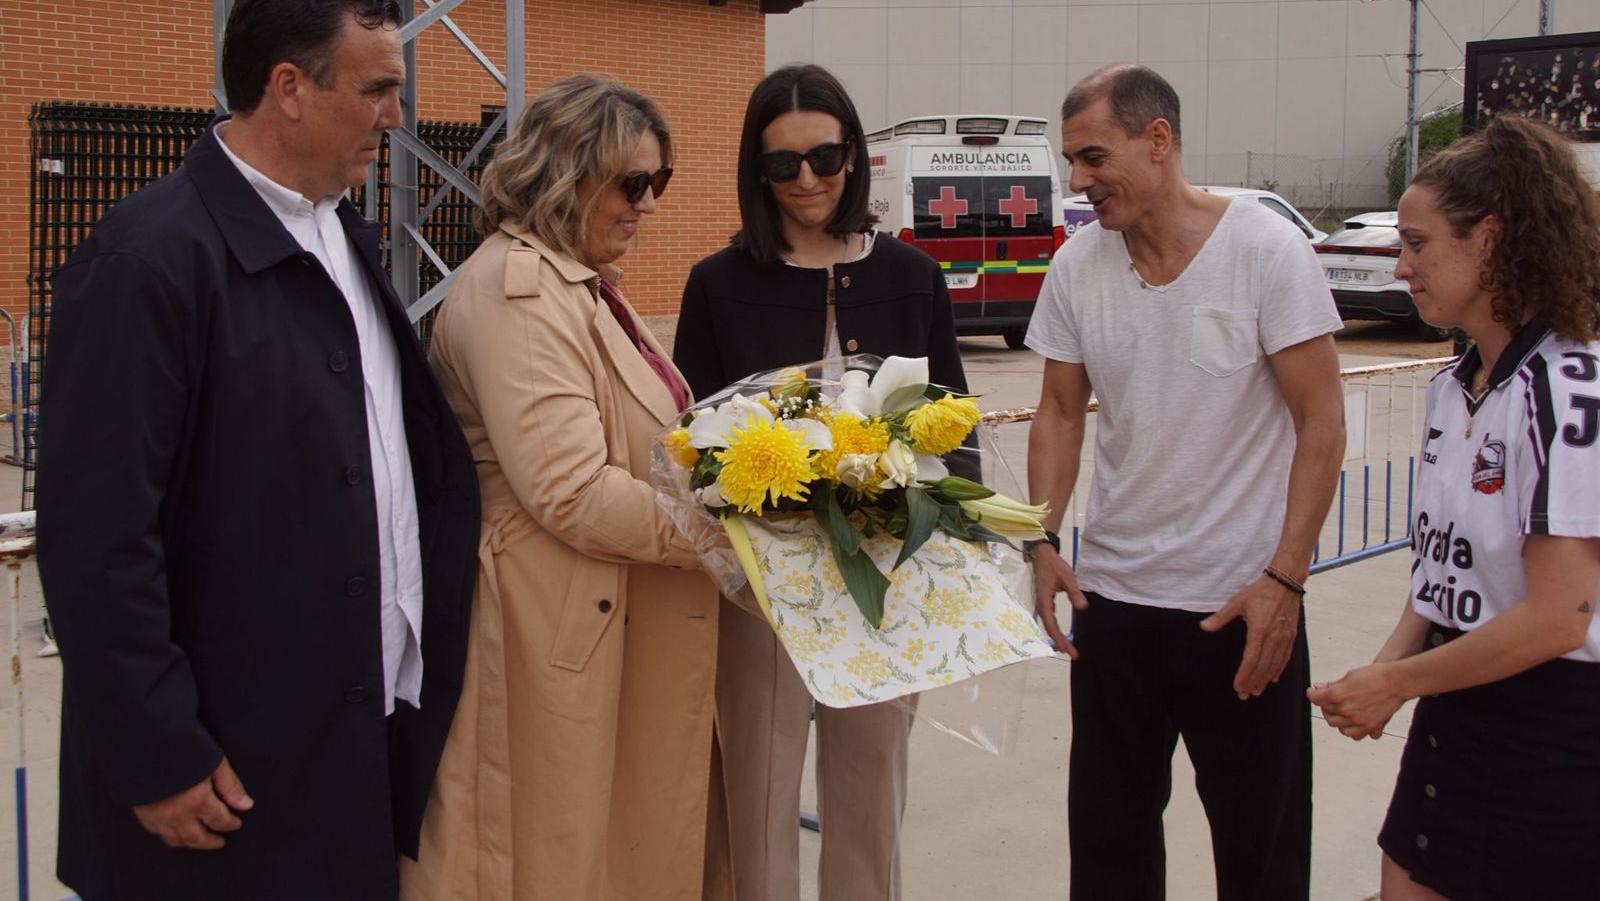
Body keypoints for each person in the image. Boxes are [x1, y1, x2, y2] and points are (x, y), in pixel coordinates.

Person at [34, 0, 480, 898]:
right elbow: (98, 538)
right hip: (218, 775)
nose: (395, 118)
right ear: (288, 87)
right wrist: (155, 749)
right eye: (376, 90)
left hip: (344, 745)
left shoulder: (344, 236)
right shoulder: (146, 260)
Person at [1025, 64, 1346, 900]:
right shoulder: (1078, 268)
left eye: (1094, 157)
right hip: (1115, 607)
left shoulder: (1266, 251)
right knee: (1109, 852)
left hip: (1242, 608)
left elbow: (1323, 420)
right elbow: (1060, 412)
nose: (1078, 180)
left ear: (1158, 140)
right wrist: (1042, 538)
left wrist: (1286, 579)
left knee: (1261, 854)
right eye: (1072, 161)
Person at [401, 74, 723, 900]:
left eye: (660, 181)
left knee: (605, 850)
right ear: (562, 172)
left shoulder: (574, 279)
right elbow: (571, 491)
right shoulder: (522, 291)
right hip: (552, 618)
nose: (648, 202)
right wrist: (730, 539)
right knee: (547, 855)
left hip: (594, 607)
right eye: (631, 181)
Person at [672, 63, 966, 901]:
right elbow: (692, 442)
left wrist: (947, 548)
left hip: (883, 582)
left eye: (825, 157)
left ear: (854, 157)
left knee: (871, 800)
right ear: (754, 172)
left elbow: (953, 422)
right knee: (758, 800)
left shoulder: (912, 274)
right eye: (781, 164)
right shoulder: (718, 283)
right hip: (763, 589)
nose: (806, 180)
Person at [1308, 116, 1600, 901]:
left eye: (1417, 243)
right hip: (1455, 703)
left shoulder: (1566, 389)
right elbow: (1443, 572)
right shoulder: (1451, 385)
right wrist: (1386, 669)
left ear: (1492, 240)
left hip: (1550, 729)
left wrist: (1400, 685)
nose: (1401, 266)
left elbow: (1558, 617)